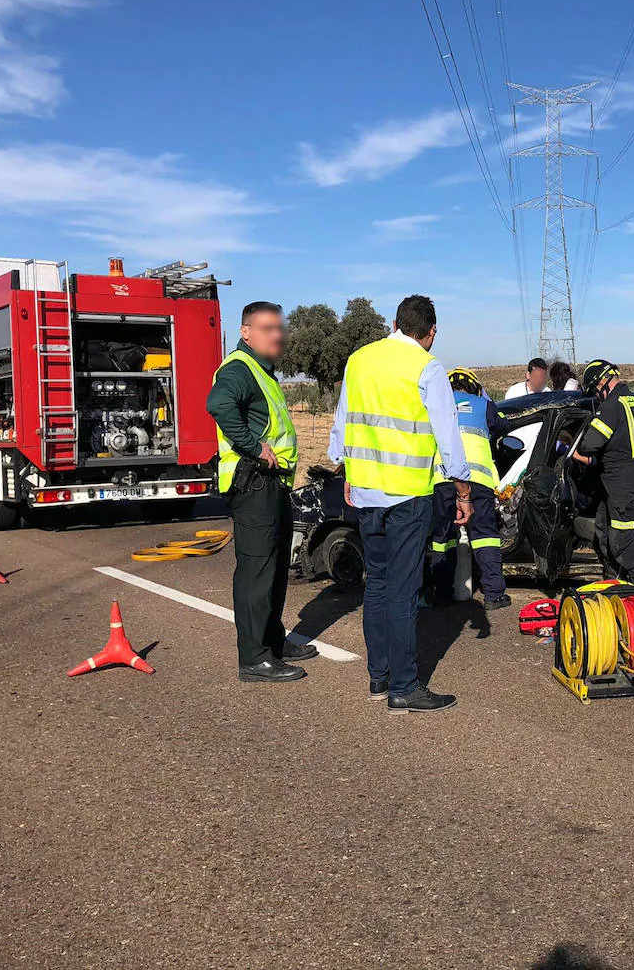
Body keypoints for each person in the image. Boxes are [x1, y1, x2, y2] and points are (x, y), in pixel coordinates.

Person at [339, 295, 470, 714]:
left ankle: (379, 676)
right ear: (431, 332)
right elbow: (447, 433)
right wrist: (462, 489)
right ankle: (404, 687)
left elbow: (342, 421)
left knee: (375, 584)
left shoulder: (358, 359)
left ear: (395, 322)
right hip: (407, 496)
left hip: (364, 491)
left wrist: (345, 469)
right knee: (403, 589)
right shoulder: (427, 367)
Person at [206, 302, 317, 682]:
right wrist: (254, 447)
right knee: (257, 570)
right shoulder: (239, 368)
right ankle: (254, 659)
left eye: (280, 328)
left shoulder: (262, 372)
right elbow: (217, 405)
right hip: (253, 482)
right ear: (246, 332)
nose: (278, 335)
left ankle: (272, 640)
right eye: (268, 328)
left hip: (272, 484)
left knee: (274, 569)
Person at [429, 367, 510, 613]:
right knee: (484, 534)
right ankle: (494, 595)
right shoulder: (483, 405)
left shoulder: (436, 405)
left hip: (442, 480)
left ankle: (441, 594)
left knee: (442, 538)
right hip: (477, 479)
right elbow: (503, 428)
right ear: (475, 387)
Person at [572, 359, 634, 582]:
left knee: (621, 540)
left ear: (601, 383)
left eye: (596, 393)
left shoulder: (612, 406)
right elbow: (623, 443)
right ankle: (613, 580)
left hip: (621, 482)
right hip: (630, 476)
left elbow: (590, 444)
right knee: (604, 530)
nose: (598, 398)